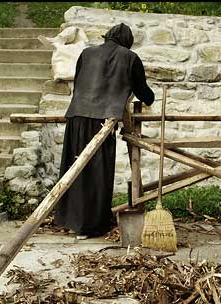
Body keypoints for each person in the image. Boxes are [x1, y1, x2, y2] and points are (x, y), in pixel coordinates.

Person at [54, 23, 155, 240]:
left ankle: (73, 221)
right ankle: (91, 226)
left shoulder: (86, 53)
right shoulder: (130, 58)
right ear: (126, 41)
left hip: (77, 117)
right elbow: (143, 92)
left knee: (76, 170)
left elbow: (80, 82)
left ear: (107, 36)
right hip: (102, 122)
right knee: (97, 175)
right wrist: (150, 98)